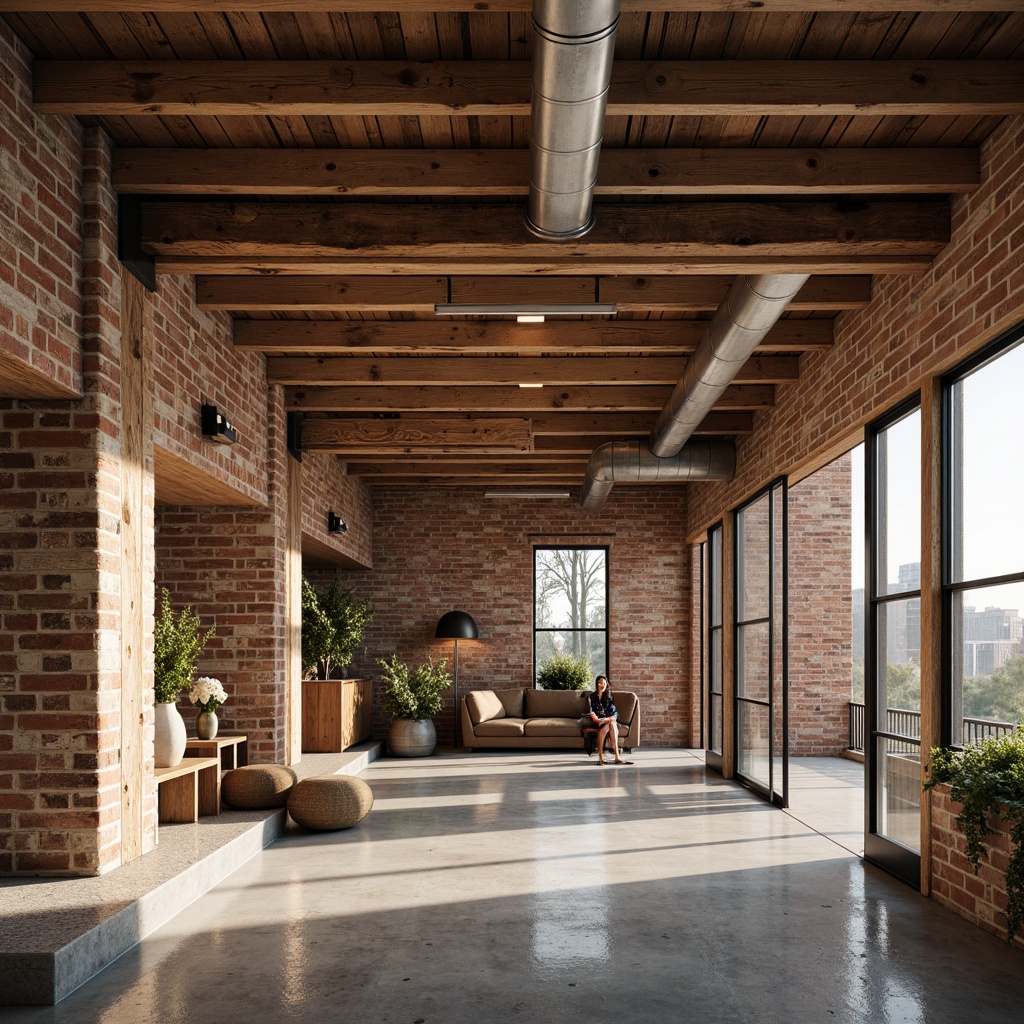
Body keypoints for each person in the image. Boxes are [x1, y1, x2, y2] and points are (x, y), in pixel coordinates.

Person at [586, 675, 632, 765]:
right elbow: (591, 711)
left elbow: (614, 713)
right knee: (610, 724)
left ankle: (602, 757)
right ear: (597, 684)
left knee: (611, 723)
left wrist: (607, 719)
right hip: (598, 721)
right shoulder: (592, 697)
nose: (602, 685)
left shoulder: (609, 697)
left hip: (608, 720)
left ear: (606, 684)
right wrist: (598, 719)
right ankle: (616, 757)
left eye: (604, 683)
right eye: (600, 683)